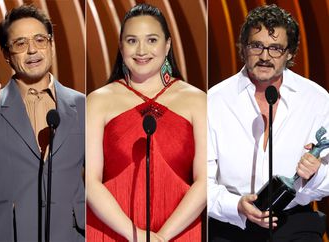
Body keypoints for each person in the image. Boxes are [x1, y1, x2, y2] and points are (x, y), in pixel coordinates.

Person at [208, 4, 329, 242]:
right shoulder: (214, 101)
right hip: (231, 224)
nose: (265, 56)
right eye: (257, 46)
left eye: (275, 48)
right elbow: (202, 181)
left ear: (290, 52)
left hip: (294, 223)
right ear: (243, 48)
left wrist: (313, 175)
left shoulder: (317, 100)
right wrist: (238, 206)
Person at [86, 3, 206, 242]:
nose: (141, 50)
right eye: (132, 41)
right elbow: (91, 181)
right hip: (111, 230)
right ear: (121, 47)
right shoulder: (98, 101)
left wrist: (161, 237)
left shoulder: (196, 100)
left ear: (168, 44)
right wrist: (137, 236)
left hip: (179, 229)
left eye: (152, 40)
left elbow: (204, 180)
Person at [0, 5, 85, 241]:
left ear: (51, 45)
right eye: (20, 43)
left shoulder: (81, 105)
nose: (32, 50)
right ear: (6, 54)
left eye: (40, 39)